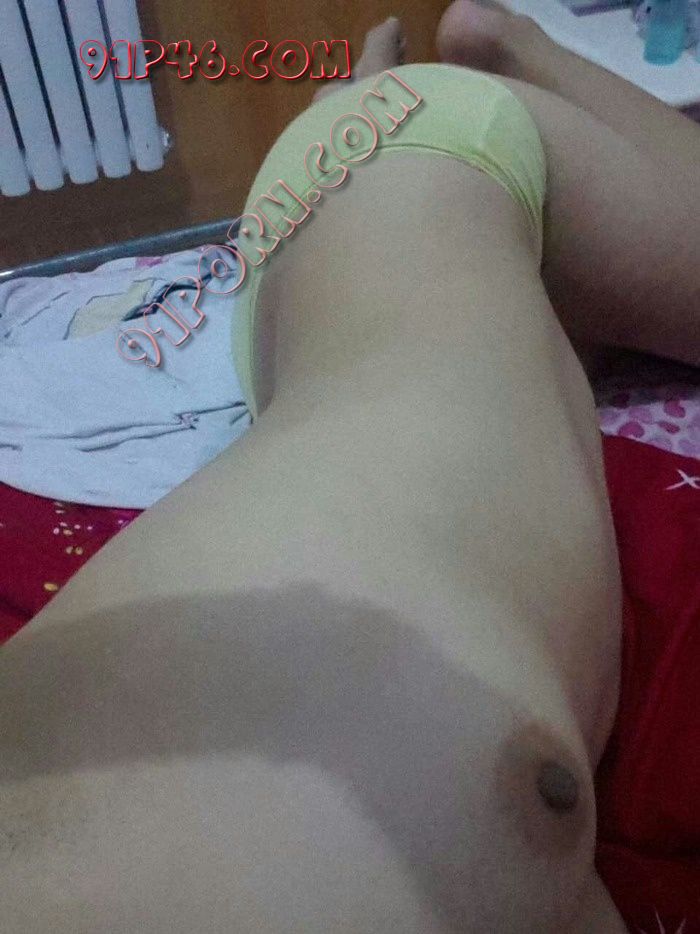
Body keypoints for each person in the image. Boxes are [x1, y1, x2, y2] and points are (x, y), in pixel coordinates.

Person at [1, 4, 698, 931]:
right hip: (326, 238)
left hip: (415, 154)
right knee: (467, 313)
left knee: (427, 243)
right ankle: (357, 98)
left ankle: (493, 47)